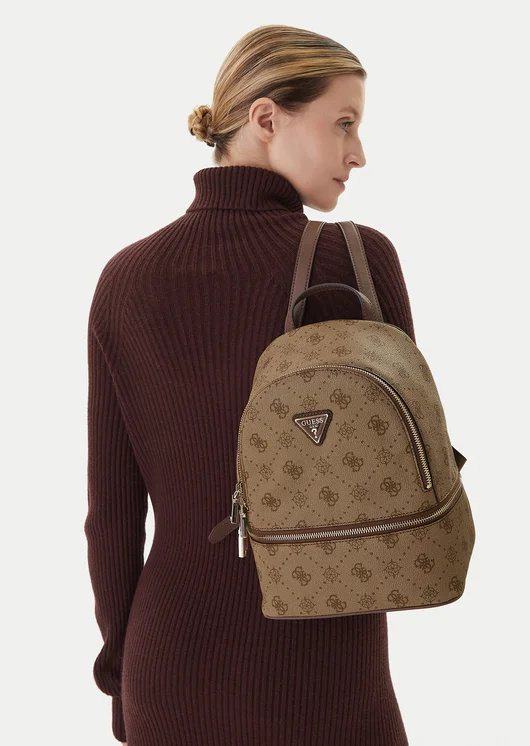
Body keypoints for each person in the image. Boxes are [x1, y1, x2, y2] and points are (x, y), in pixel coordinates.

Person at [85, 23, 415, 746]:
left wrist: (123, 678)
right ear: (267, 119)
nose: (359, 153)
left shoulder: (125, 279)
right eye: (344, 123)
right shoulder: (354, 264)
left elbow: (111, 518)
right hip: (329, 675)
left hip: (167, 671)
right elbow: (404, 484)